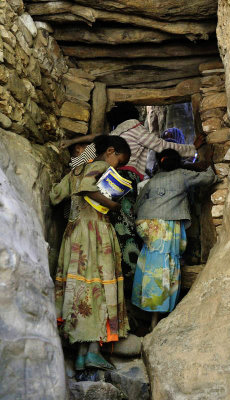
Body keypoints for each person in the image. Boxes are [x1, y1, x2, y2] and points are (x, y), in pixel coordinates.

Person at [58, 103, 205, 295]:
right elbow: (160, 145)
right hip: (125, 181)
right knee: (127, 225)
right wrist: (191, 148)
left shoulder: (112, 136)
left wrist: (71, 153)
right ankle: (131, 272)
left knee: (112, 224)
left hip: (106, 181)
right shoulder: (134, 126)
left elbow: (86, 151)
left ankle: (113, 268)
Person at [50, 135, 131, 371]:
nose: (117, 167)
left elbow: (55, 196)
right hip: (95, 231)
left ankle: (81, 355)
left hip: (73, 232)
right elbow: (88, 190)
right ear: (110, 151)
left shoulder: (75, 172)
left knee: (81, 289)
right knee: (99, 289)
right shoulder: (102, 167)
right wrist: (113, 204)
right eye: (119, 161)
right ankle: (93, 352)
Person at [131, 148, 218, 330]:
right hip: (164, 225)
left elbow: (137, 205)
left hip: (144, 224)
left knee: (149, 263)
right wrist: (210, 163)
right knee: (163, 268)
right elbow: (208, 178)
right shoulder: (182, 175)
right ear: (178, 162)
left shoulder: (152, 181)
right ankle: (156, 320)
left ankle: (146, 311)